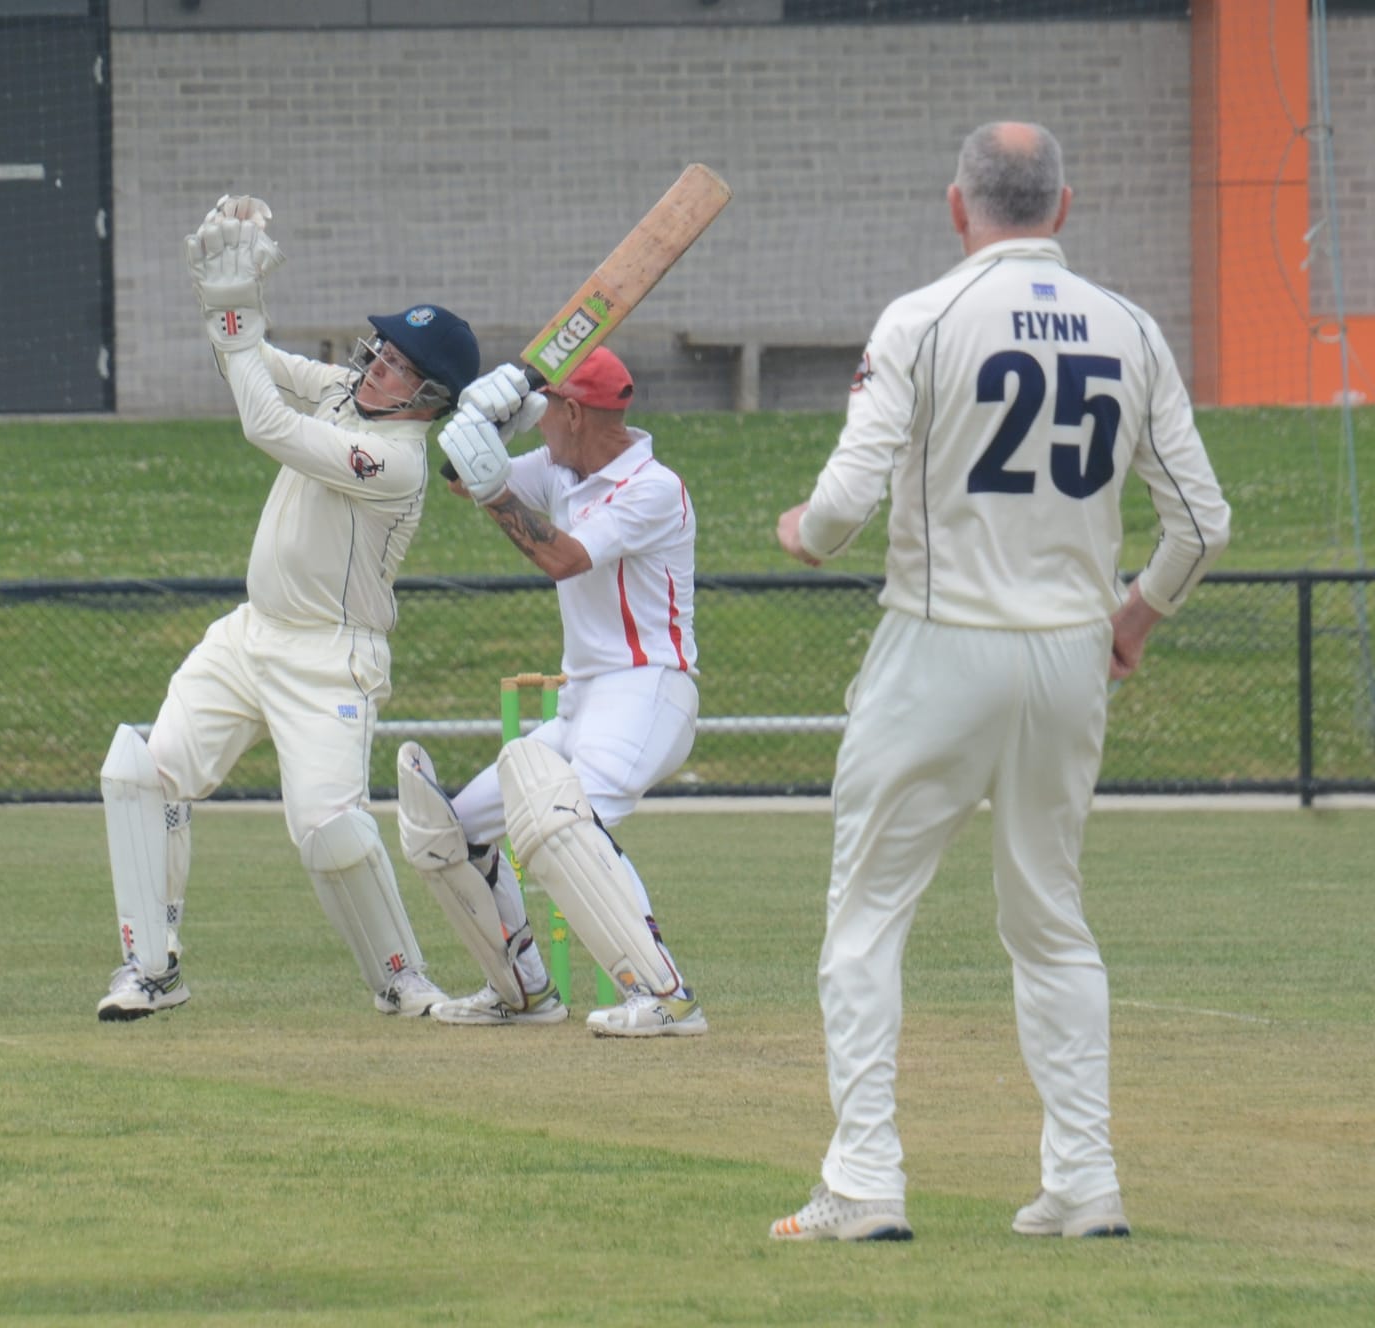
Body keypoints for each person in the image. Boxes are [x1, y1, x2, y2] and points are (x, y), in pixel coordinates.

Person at [768, 123, 1230, 1241]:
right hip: (1069, 653)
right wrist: (1136, 614)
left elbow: (841, 506)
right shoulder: (1129, 328)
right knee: (1050, 921)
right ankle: (1084, 1182)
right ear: (1060, 207)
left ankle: (865, 1182)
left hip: (939, 641)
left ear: (956, 205)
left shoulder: (922, 318)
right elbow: (1201, 523)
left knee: (866, 919)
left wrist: (802, 531)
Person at [96, 194, 479, 1022]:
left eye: (395, 366)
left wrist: (236, 323)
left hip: (330, 658)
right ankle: (152, 969)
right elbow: (252, 361)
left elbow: (266, 424)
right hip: (250, 634)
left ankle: (401, 980)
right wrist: (228, 302)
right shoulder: (344, 391)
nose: (374, 368)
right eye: (379, 352)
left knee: (330, 832)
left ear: (427, 397)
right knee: (142, 775)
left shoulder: (395, 461)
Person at [408, 347, 706, 1037]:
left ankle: (666, 996)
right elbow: (461, 479)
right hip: (582, 700)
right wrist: (480, 423)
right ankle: (524, 991)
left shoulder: (653, 487)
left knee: (570, 828)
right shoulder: (562, 467)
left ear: (574, 412)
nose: (538, 423)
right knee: (454, 832)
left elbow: (563, 559)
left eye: (543, 411)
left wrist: (495, 491)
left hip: (647, 690)